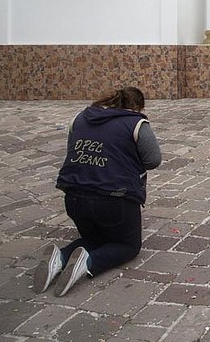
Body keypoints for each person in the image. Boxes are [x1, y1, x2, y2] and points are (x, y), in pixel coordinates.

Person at [33, 87, 162, 296]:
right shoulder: (136, 123)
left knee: (97, 238)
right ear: (137, 107)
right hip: (113, 199)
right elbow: (153, 159)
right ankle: (89, 263)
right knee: (127, 245)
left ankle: (61, 257)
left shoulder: (80, 118)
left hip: (74, 197)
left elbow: (71, 151)